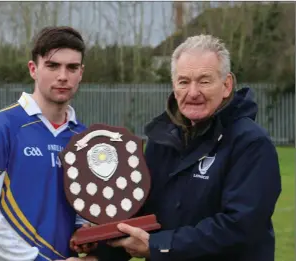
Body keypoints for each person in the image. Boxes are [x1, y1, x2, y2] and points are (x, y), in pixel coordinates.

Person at [86, 34, 282, 261]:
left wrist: (159, 246)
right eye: (184, 81)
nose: (193, 92)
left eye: (204, 81)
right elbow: (141, 213)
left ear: (227, 85)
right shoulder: (161, 141)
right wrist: (100, 251)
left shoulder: (251, 143)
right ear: (173, 85)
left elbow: (240, 226)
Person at [0, 26, 93, 261]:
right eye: (52, 66)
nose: (63, 76)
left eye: (72, 67)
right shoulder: (2, 126)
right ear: (33, 69)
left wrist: (87, 232)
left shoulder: (84, 138)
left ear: (81, 73)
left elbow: (84, 210)